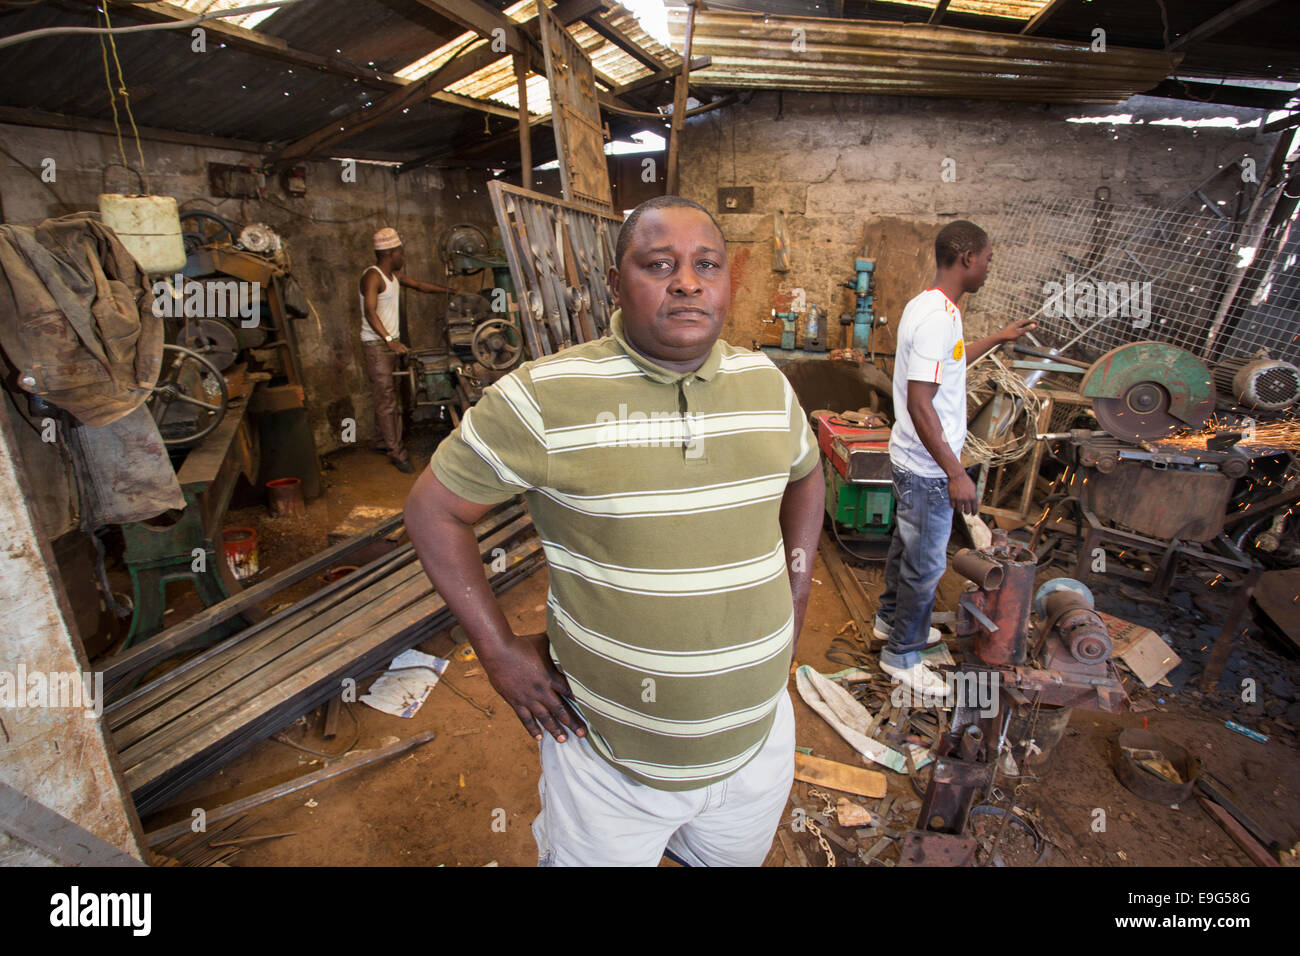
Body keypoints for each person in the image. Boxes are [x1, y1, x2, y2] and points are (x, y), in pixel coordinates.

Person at [404, 196, 826, 866]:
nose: (687, 280)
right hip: (608, 765)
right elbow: (433, 511)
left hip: (756, 748)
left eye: (706, 264)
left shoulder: (766, 384)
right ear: (614, 285)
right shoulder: (542, 397)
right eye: (659, 264)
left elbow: (807, 473)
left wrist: (796, 591)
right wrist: (497, 651)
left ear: (726, 282)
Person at [874, 220, 1035, 697]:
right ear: (967, 257)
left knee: (907, 550)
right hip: (927, 468)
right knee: (925, 566)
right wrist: (956, 472)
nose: (988, 267)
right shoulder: (938, 317)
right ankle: (901, 656)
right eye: (987, 258)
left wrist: (1000, 337)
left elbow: (953, 363)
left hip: (913, 460)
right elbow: (921, 403)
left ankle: (890, 621)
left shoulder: (932, 306)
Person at [360, 227, 452, 473]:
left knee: (389, 398)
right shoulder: (373, 276)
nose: (404, 256)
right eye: (401, 252)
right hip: (377, 346)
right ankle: (397, 453)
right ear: (390, 252)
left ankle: (383, 441)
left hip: (391, 344)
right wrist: (389, 339)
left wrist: (450, 292)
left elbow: (420, 285)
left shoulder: (393, 277)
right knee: (387, 400)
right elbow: (370, 311)